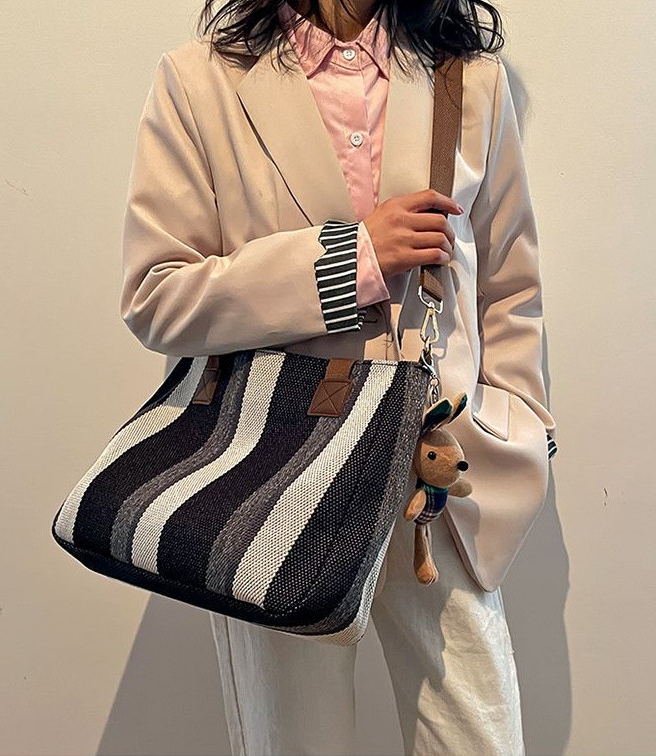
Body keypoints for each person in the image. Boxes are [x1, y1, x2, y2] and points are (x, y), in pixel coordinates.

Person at [119, 0, 559, 753]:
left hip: (435, 479)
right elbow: (157, 295)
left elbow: (509, 286)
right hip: (275, 477)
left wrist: (519, 423)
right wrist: (349, 258)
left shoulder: (468, 82)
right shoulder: (201, 82)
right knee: (294, 740)